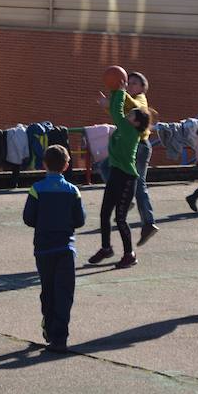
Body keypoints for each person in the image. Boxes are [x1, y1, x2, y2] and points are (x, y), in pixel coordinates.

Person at [23, 145, 86, 353]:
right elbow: (80, 220)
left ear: (44, 164)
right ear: (66, 165)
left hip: (43, 249)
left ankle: (49, 327)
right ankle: (60, 338)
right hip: (65, 248)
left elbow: (28, 218)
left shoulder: (36, 189)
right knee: (64, 293)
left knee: (48, 290)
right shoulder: (73, 191)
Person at [87, 81, 152, 269]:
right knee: (104, 213)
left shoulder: (131, 131)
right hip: (116, 175)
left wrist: (119, 90)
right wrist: (113, 94)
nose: (127, 115)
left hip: (126, 178)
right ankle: (106, 248)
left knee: (120, 217)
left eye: (131, 115)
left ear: (137, 122)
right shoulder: (124, 127)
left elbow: (116, 111)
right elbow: (116, 111)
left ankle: (129, 254)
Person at [98, 72, 158, 245]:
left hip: (140, 146)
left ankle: (148, 222)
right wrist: (108, 105)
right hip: (131, 146)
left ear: (142, 88)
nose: (130, 85)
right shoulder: (128, 100)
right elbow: (119, 115)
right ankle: (124, 198)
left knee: (139, 184)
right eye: (128, 82)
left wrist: (120, 93)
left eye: (134, 83)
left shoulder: (141, 99)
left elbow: (133, 107)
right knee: (104, 166)